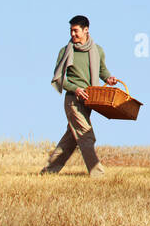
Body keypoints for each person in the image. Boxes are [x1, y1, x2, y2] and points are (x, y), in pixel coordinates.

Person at [42, 15, 119, 177]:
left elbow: (102, 70)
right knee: (86, 135)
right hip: (73, 101)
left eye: (76, 31)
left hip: (90, 100)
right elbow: (59, 79)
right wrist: (75, 89)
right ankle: (98, 175)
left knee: (70, 141)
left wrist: (109, 78)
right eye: (71, 31)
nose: (73, 34)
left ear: (86, 30)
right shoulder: (65, 51)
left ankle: (48, 172)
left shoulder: (98, 50)